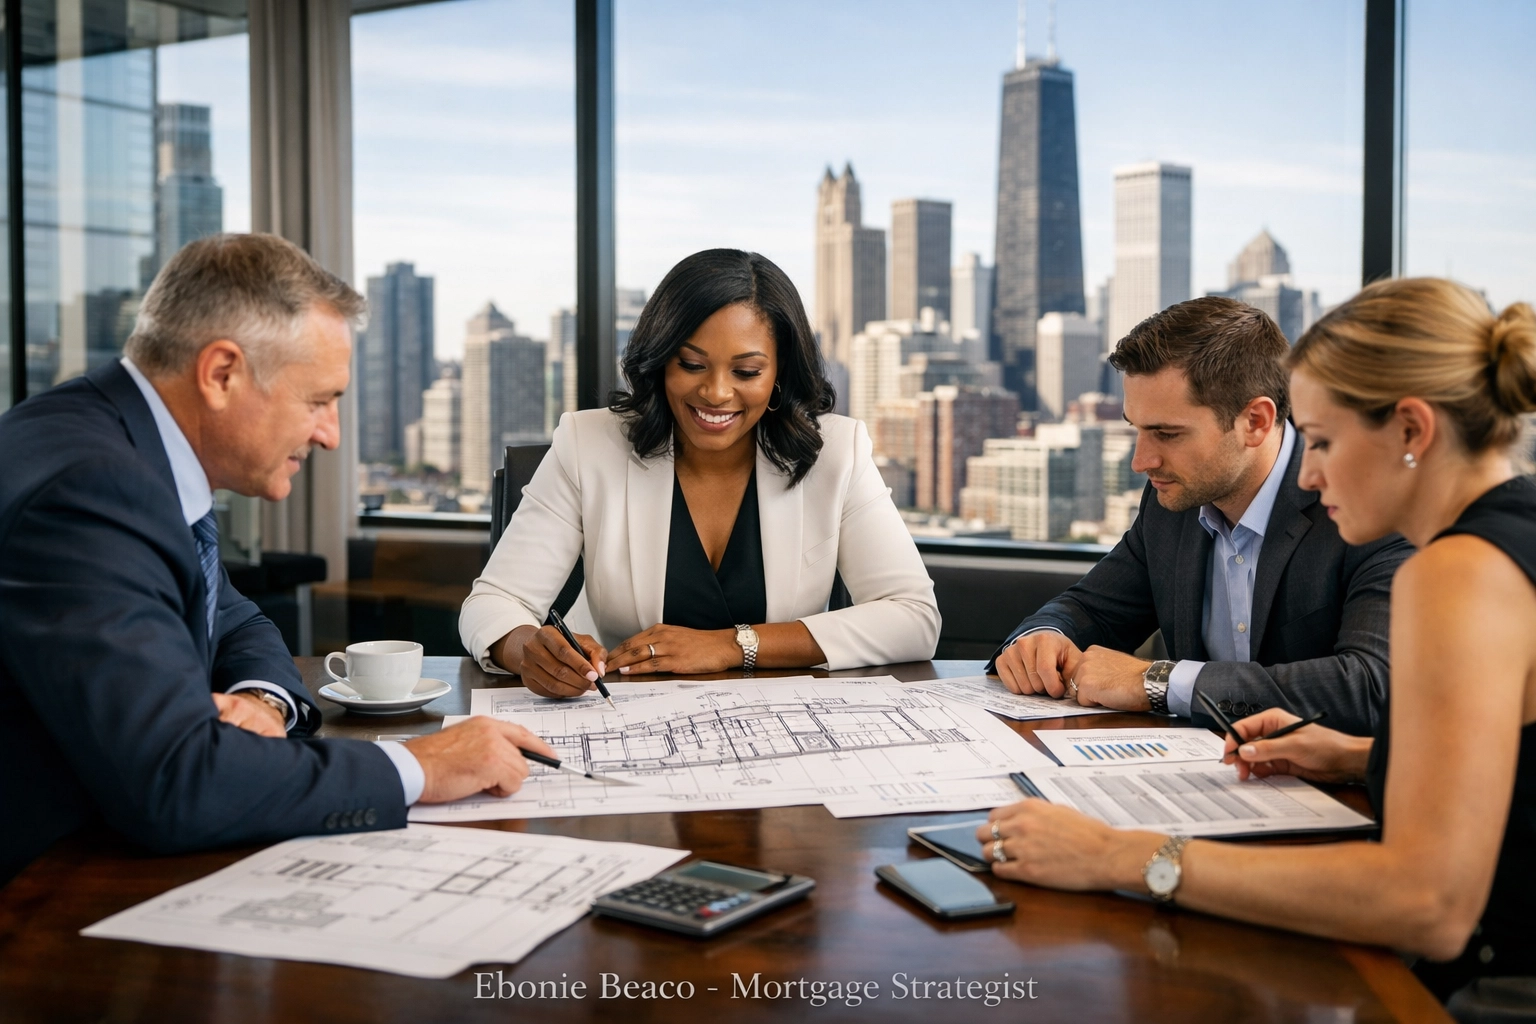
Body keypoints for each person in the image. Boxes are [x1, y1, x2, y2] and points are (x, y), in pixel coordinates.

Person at [980, 278, 1536, 1006]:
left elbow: (1426, 905)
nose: (1306, 470)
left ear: (1412, 430)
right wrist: (1359, 754)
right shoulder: (1514, 530)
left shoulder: (1456, 568)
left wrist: (1120, 854)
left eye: (1327, 441)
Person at [0, 233, 555, 886]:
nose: (330, 433)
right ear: (221, 373)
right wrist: (423, 768)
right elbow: (179, 784)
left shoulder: (120, 444)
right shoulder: (91, 489)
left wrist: (261, 701)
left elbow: (233, 619)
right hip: (41, 887)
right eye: (318, 400)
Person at [460, 248, 939, 696]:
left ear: (779, 374)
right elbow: (493, 604)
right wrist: (527, 650)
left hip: (780, 728)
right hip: (628, 720)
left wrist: (731, 645)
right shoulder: (588, 445)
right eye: (691, 364)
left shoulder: (838, 451)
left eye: (746, 372)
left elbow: (913, 617)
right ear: (661, 361)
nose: (715, 392)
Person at [991, 297, 1411, 736]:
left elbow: (1370, 687)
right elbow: (1090, 608)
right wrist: (1041, 639)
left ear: (1255, 421)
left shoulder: (1362, 505)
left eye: (1167, 434)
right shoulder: (1173, 501)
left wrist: (1157, 682)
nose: (1142, 460)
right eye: (1136, 428)